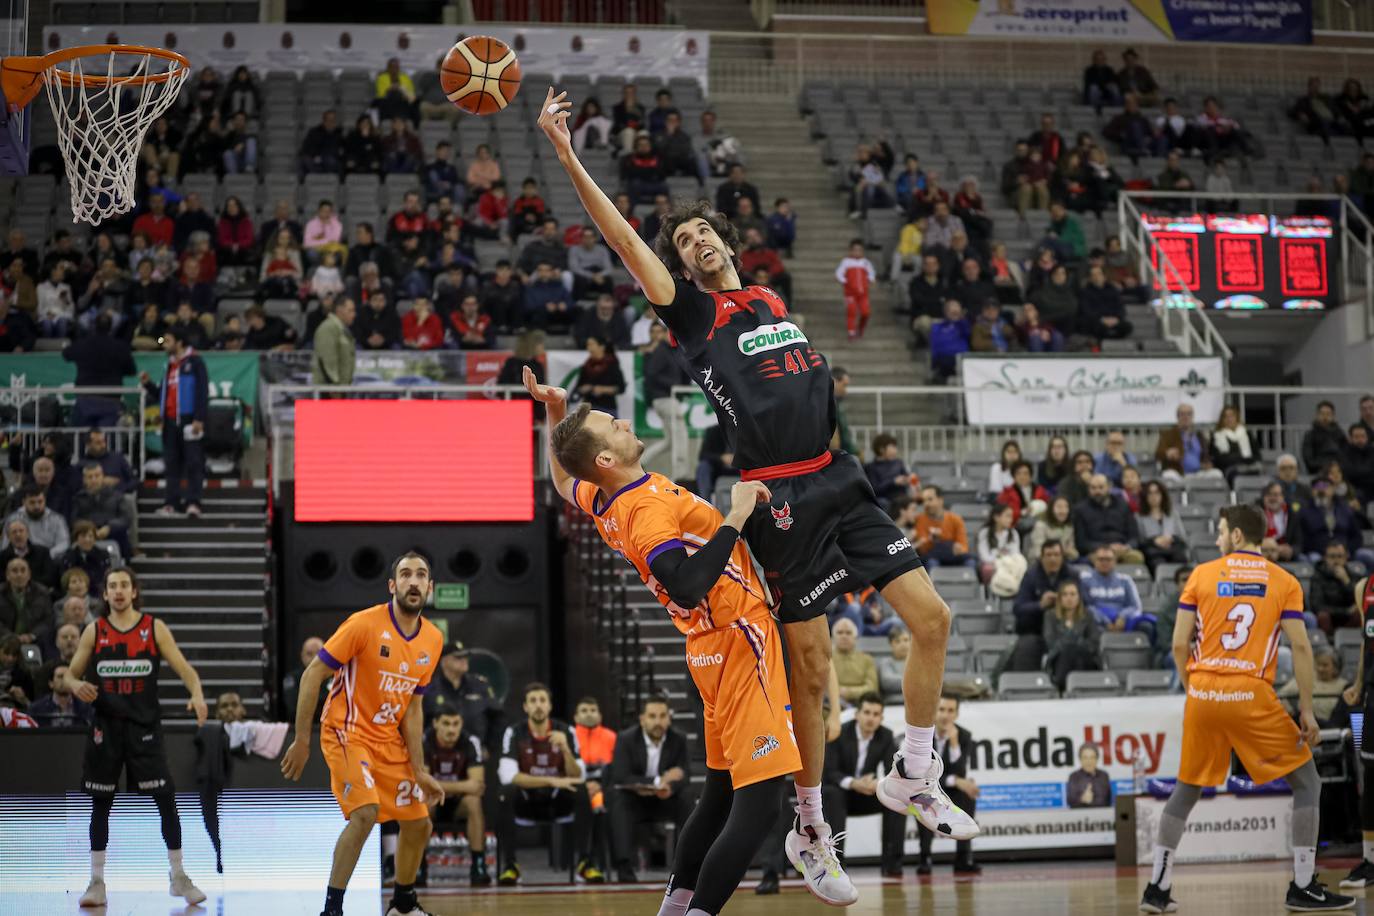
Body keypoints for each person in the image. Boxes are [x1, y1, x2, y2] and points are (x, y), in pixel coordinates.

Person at [537, 91, 976, 908]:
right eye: (681, 241)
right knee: (807, 672)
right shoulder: (695, 316)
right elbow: (627, 241)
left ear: (727, 240)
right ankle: (809, 831)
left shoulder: (770, 299)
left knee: (934, 620)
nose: (691, 241)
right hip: (776, 497)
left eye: (701, 231)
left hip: (840, 475)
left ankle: (915, 773)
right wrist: (568, 157)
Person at [523, 366, 817, 911]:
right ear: (607, 460)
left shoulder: (609, 496)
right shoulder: (645, 511)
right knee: (762, 806)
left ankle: (675, 908)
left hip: (707, 649)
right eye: (614, 425)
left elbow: (564, 482)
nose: (625, 421)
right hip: (736, 636)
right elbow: (684, 587)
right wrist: (734, 517)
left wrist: (555, 410)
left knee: (720, 794)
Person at [1141, 505, 1354, 914]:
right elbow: (1303, 647)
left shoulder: (1202, 575)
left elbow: (1178, 645)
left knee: (1187, 787)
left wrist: (1195, 691)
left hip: (1203, 690)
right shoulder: (1284, 581)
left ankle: (1157, 888)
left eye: (1222, 532)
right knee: (1307, 782)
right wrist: (1306, 710)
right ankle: (1304, 885)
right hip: (1250, 692)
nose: (1219, 539)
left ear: (1237, 536)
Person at [279, 552, 447, 916]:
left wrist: (418, 769)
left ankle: (402, 905)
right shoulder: (363, 624)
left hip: (387, 740)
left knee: (419, 824)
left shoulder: (432, 640)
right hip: (346, 731)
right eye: (405, 574)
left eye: (421, 576)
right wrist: (303, 740)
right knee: (366, 813)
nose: (413, 581)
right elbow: (312, 676)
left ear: (430, 588)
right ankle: (332, 909)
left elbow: (413, 709)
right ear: (392, 585)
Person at [64, 568, 208, 907]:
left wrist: (197, 694)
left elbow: (187, 671)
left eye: (124, 585)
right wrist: (74, 684)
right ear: (104, 594)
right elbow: (69, 675)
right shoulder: (94, 631)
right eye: (112, 586)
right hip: (106, 728)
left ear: (134, 591)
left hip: (144, 728)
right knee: (101, 805)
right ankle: (96, 881)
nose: (118, 591)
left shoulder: (153, 628)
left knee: (166, 800)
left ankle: (178, 876)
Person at [606, 696, 692, 883]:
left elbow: (684, 775)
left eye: (662, 716)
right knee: (618, 800)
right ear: (642, 719)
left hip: (665, 799)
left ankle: (690, 864)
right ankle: (624, 866)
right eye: (652, 716)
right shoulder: (626, 738)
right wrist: (659, 780)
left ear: (669, 719)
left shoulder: (678, 739)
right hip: (635, 799)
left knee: (686, 798)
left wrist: (670, 787)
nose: (658, 722)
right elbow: (621, 776)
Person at [822, 693, 905, 877]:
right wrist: (854, 783)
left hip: (866, 793)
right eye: (867, 712)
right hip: (840, 792)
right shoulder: (839, 732)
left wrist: (878, 784)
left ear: (881, 718)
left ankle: (893, 863)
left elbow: (892, 772)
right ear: (857, 715)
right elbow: (829, 771)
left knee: (897, 799)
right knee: (834, 793)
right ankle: (836, 864)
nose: (871, 718)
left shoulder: (886, 735)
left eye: (876, 714)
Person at [139, 326, 208, 517]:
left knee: (194, 463)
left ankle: (193, 502)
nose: (164, 344)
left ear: (179, 342)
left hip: (189, 420)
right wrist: (148, 384)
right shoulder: (169, 365)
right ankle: (172, 503)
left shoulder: (195, 362)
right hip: (170, 423)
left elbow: (202, 392)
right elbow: (163, 393)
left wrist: (199, 418)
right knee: (172, 464)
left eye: (167, 340)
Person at [913, 693, 979, 874]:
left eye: (951, 711)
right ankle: (925, 857)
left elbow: (960, 771)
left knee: (967, 793)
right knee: (924, 798)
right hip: (925, 787)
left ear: (956, 715)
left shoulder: (964, 736)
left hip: (949, 788)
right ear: (934, 712)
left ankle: (963, 857)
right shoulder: (923, 736)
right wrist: (957, 780)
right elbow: (924, 773)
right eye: (941, 709)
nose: (945, 715)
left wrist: (954, 742)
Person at [424, 709, 490, 886]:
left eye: (455, 724)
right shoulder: (424, 741)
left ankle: (478, 864)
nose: (451, 729)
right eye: (446, 723)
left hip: (459, 804)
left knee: (474, 801)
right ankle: (418, 865)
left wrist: (437, 785)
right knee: (422, 803)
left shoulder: (470, 741)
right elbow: (423, 785)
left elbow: (477, 786)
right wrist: (463, 786)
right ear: (435, 723)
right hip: (434, 803)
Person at [1338, 571, 1374, 889]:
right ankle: (1371, 861)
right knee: (1371, 777)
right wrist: (1359, 684)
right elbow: (1367, 640)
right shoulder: (1364, 587)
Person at [421, 640, 504, 755]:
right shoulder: (429, 690)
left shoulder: (480, 686)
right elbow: (419, 722)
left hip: (474, 756)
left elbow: (497, 717)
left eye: (466, 657)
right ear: (444, 661)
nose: (464, 660)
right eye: (458, 657)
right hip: (437, 756)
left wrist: (489, 748)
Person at [61, 312, 137, 431]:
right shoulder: (120, 347)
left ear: (94, 326)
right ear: (111, 327)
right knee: (107, 442)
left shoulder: (83, 344)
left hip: (85, 400)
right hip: (111, 401)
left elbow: (66, 354)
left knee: (82, 440)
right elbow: (132, 371)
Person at [1009, 540, 1075, 669]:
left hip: (1064, 630)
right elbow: (1018, 608)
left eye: (1056, 555)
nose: (1053, 559)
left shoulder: (1072, 575)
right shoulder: (1031, 576)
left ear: (1062, 557)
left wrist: (1064, 602)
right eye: (1049, 555)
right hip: (1034, 630)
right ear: (1042, 557)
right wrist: (1040, 605)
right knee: (1027, 647)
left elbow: (1083, 604)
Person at [1044, 579, 1102, 690]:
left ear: (1079, 597)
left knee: (1074, 651)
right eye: (1065, 594)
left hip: (1084, 658)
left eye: (1073, 594)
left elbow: (1094, 642)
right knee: (1067, 652)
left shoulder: (1088, 615)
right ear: (1060, 598)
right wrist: (1074, 641)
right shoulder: (1050, 616)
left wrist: (1071, 642)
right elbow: (1050, 642)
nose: (1069, 598)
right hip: (1059, 659)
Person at [1079, 545, 1147, 633]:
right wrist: (1105, 621)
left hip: (1123, 620)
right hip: (1096, 621)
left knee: (1146, 626)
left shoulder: (1125, 580)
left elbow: (1136, 607)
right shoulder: (1084, 579)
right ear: (1094, 561)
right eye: (1101, 559)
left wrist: (1122, 617)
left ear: (1115, 561)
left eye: (1108, 559)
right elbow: (1085, 607)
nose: (1104, 562)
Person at [1155, 403, 1221, 482]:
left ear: (1193, 417)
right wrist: (1167, 453)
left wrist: (1207, 464)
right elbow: (1158, 454)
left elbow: (1206, 456)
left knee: (1217, 474)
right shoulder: (1168, 435)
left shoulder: (1199, 436)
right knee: (1168, 475)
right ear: (1177, 417)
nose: (1185, 417)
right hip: (1179, 474)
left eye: (1189, 414)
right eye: (1182, 414)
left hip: (1199, 473)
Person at [914, 484, 973, 568]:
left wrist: (959, 548)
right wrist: (932, 539)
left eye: (930, 499)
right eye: (924, 501)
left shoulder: (955, 519)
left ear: (940, 500)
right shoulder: (920, 519)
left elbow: (963, 546)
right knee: (932, 562)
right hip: (932, 557)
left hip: (953, 556)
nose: (926, 504)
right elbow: (923, 550)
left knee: (970, 562)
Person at [1139, 479, 1188, 572]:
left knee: (1181, 559)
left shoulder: (1172, 514)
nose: (1154, 496)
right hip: (1153, 553)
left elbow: (1182, 538)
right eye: (1150, 493)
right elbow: (1140, 540)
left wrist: (1171, 539)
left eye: (1157, 493)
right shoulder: (1139, 517)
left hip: (1173, 549)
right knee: (1158, 563)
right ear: (1145, 496)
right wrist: (1154, 541)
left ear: (1162, 495)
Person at [310, 296, 356, 387]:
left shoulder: (341, 330)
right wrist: (334, 385)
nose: (354, 314)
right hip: (329, 389)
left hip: (341, 387)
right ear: (339, 310)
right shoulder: (328, 328)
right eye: (350, 310)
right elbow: (326, 360)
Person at [1, 517, 57, 591]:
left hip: (38, 593)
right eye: (14, 532)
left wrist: (28, 585)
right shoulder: (2, 556)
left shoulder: (43, 552)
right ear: (8, 537)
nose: (18, 534)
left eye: (21, 531)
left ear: (27, 534)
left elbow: (49, 577)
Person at [1211, 404, 1263, 483]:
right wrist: (1241, 459)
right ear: (1222, 419)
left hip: (1249, 468)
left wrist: (1239, 459)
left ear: (1237, 417)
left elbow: (1256, 455)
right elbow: (1219, 459)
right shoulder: (1217, 436)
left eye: (1232, 416)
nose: (1229, 419)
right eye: (1225, 416)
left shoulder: (1247, 434)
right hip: (1229, 470)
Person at [29, 662, 93, 727]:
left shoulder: (86, 708)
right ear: (51, 683)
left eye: (69, 677)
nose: (65, 680)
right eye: (60, 677)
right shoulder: (36, 709)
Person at [835, 239, 875, 341]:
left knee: (866, 312)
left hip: (863, 293)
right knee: (851, 311)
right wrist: (846, 282)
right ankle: (851, 332)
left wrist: (869, 281)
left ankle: (861, 327)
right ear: (850, 251)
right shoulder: (846, 262)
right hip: (850, 293)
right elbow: (839, 274)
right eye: (855, 250)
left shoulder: (866, 263)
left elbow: (871, 274)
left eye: (859, 250)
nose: (857, 252)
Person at [976, 503, 1021, 586]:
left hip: (1009, 564)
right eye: (1007, 516)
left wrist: (1006, 561)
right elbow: (984, 555)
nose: (1010, 520)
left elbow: (1016, 553)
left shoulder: (1014, 533)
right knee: (988, 569)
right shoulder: (984, 532)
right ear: (996, 517)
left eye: (1011, 517)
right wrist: (998, 560)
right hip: (991, 564)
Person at [864, 434, 912, 509]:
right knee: (883, 503)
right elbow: (874, 490)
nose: (896, 451)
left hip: (901, 497)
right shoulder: (871, 467)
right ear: (881, 449)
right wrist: (893, 482)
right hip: (885, 499)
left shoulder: (898, 463)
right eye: (893, 447)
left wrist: (909, 480)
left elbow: (907, 479)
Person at [1303, 400, 1347, 475]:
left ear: (1333, 416)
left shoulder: (1340, 434)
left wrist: (1338, 467)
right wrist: (1325, 466)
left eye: (1328, 414)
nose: (1325, 417)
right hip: (1319, 472)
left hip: (1340, 472)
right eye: (1322, 414)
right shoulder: (1310, 435)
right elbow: (1308, 458)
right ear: (1317, 415)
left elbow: (1346, 454)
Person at [1066, 742, 1111, 808]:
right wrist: (1082, 799)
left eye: (1092, 757)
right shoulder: (1074, 777)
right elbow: (1070, 801)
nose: (1089, 761)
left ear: (1097, 759)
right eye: (1085, 758)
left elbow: (1107, 800)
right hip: (1079, 816)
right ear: (1080, 759)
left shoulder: (1104, 776)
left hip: (1102, 816)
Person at [877, 627, 910, 702]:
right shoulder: (885, 663)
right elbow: (887, 682)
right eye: (897, 641)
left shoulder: (918, 664)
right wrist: (914, 681)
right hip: (891, 704)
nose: (903, 644)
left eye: (906, 640)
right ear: (891, 644)